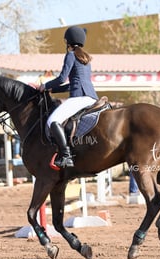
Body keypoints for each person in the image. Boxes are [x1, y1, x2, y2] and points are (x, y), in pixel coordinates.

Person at [39, 26, 99, 169]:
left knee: (52, 121)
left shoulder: (71, 55)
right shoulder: (86, 58)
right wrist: (53, 89)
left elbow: (61, 78)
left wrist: (44, 86)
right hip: (91, 97)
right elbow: (72, 84)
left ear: (68, 42)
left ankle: (66, 155)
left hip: (79, 97)